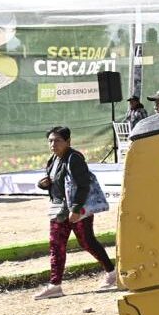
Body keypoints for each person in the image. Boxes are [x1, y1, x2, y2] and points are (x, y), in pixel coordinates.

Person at [33, 126, 116, 300]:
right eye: (50, 141)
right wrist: (44, 184)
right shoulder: (54, 159)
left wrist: (76, 209)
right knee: (56, 245)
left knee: (87, 242)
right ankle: (55, 285)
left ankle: (112, 273)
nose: (53, 144)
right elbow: (57, 181)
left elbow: (83, 184)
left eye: (57, 140)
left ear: (68, 142)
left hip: (76, 210)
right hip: (58, 209)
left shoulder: (74, 158)